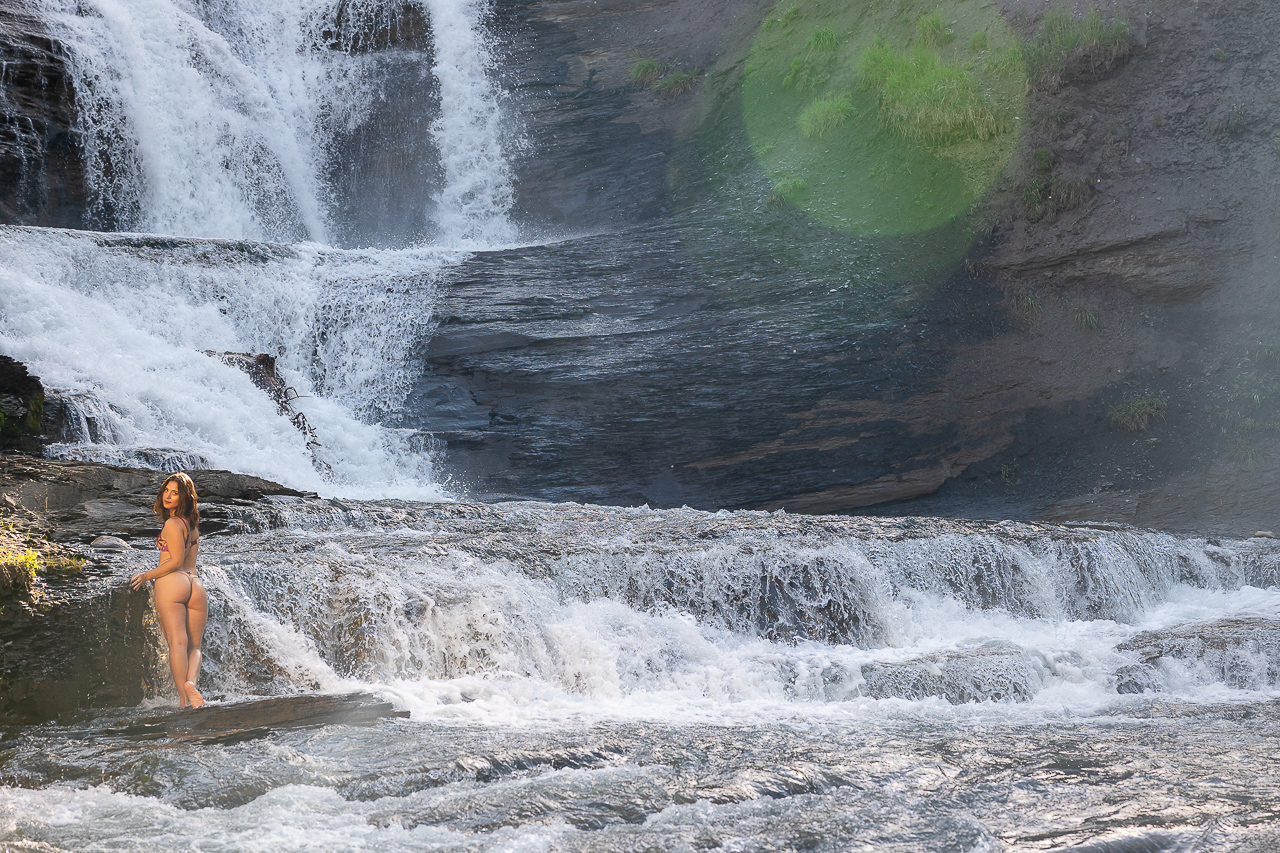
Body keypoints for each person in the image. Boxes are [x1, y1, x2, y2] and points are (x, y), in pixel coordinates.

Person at [130, 472, 208, 708]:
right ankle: (191, 684)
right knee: (195, 647)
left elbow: (174, 561)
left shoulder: (172, 523)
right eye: (166, 490)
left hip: (173, 582)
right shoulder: (193, 525)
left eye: (175, 493)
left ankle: (184, 702)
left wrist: (146, 576)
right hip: (195, 584)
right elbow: (187, 558)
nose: (168, 496)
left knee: (177, 643)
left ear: (184, 497)